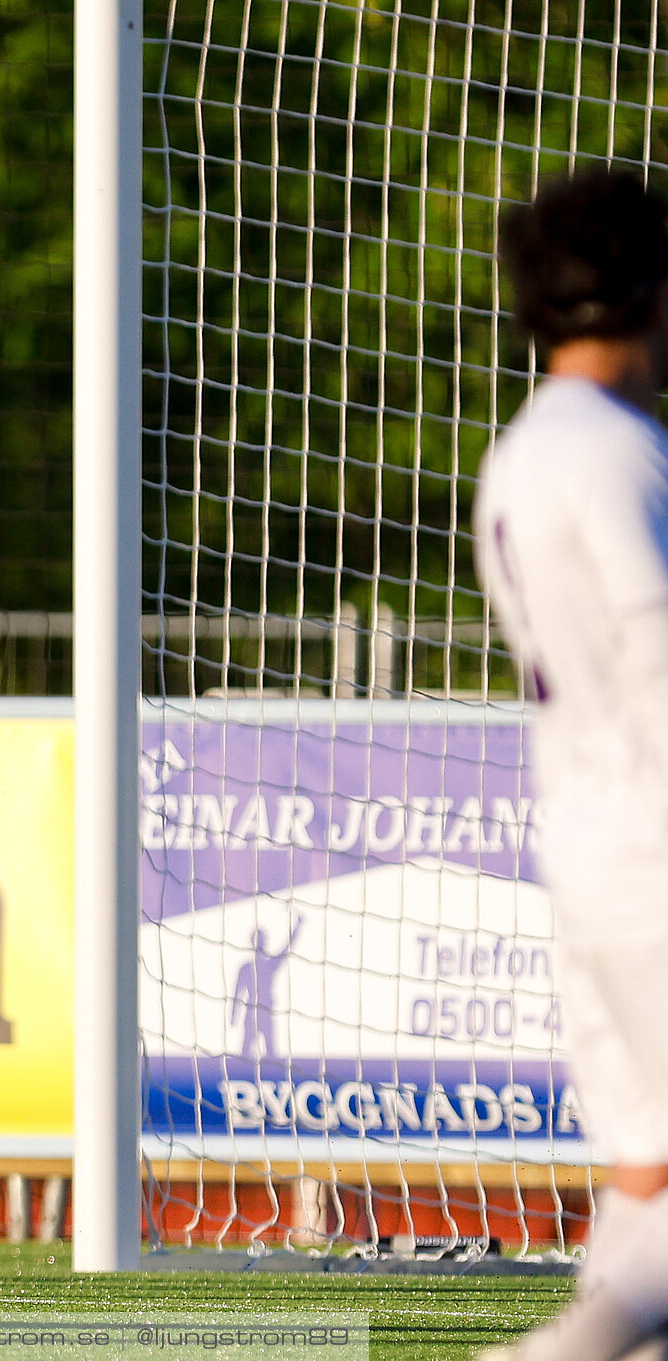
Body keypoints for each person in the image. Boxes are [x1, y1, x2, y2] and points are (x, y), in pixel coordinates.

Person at [475, 167, 668, 1361]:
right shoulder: (619, 453)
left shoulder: (522, 454)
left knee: (644, 1183)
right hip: (656, 851)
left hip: (595, 856)